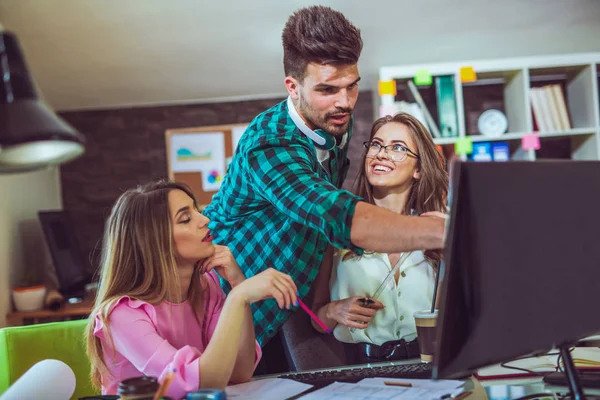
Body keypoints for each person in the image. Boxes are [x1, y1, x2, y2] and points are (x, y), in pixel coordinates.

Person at [203, 5, 445, 348]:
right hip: (222, 314)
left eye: (352, 87)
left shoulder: (333, 127)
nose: (344, 102)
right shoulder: (268, 144)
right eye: (328, 90)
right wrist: (445, 230)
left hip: (282, 314)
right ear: (293, 86)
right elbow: (331, 211)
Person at [85, 181, 298, 399]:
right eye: (186, 218)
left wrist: (237, 284)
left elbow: (240, 372)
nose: (205, 220)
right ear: (154, 241)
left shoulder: (208, 286)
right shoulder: (121, 315)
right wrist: (238, 296)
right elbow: (201, 384)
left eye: (196, 210)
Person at [310, 113, 448, 364]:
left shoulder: (437, 230)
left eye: (398, 148)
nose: (381, 154)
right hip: (363, 372)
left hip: (430, 366)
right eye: (376, 144)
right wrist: (334, 310)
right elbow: (317, 321)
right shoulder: (337, 231)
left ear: (418, 169)